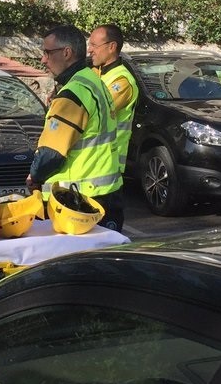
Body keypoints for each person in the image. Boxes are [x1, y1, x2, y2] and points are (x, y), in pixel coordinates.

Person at [26, 25, 122, 230]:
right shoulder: (92, 81)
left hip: (76, 202)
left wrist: (34, 176)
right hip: (104, 194)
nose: (43, 60)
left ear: (67, 53)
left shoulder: (73, 93)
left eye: (47, 53)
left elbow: (52, 153)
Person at [87, 24, 140, 232]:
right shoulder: (96, 73)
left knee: (104, 236)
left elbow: (95, 112)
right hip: (91, 167)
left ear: (111, 47)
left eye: (94, 45)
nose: (90, 49)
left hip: (108, 170)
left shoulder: (121, 80)